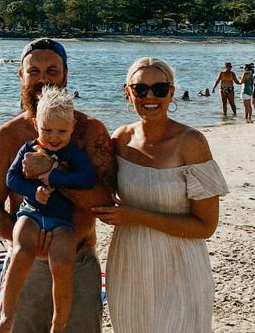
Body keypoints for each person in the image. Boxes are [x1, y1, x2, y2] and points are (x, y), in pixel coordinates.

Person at [0, 37, 116, 333]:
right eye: (34, 71)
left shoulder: (90, 131)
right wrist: (27, 244)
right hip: (26, 264)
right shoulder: (5, 138)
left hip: (78, 261)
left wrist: (53, 171)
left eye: (52, 71)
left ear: (65, 74)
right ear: (21, 75)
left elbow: (106, 200)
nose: (43, 79)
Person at [92, 57, 228, 332]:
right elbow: (92, 189)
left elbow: (206, 226)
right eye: (140, 89)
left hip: (182, 267)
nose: (150, 96)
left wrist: (136, 216)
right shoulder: (119, 140)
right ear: (127, 93)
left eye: (159, 89)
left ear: (172, 92)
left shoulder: (191, 143)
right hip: (130, 265)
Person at [0, 86, 96, 333]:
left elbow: (88, 178)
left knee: (62, 263)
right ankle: (7, 317)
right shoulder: (28, 149)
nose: (54, 137)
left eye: (62, 131)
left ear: (72, 127)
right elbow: (12, 179)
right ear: (36, 125)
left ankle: (58, 323)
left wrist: (54, 176)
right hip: (30, 214)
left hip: (61, 220)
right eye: (47, 129)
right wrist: (34, 191)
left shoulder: (72, 154)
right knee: (21, 253)